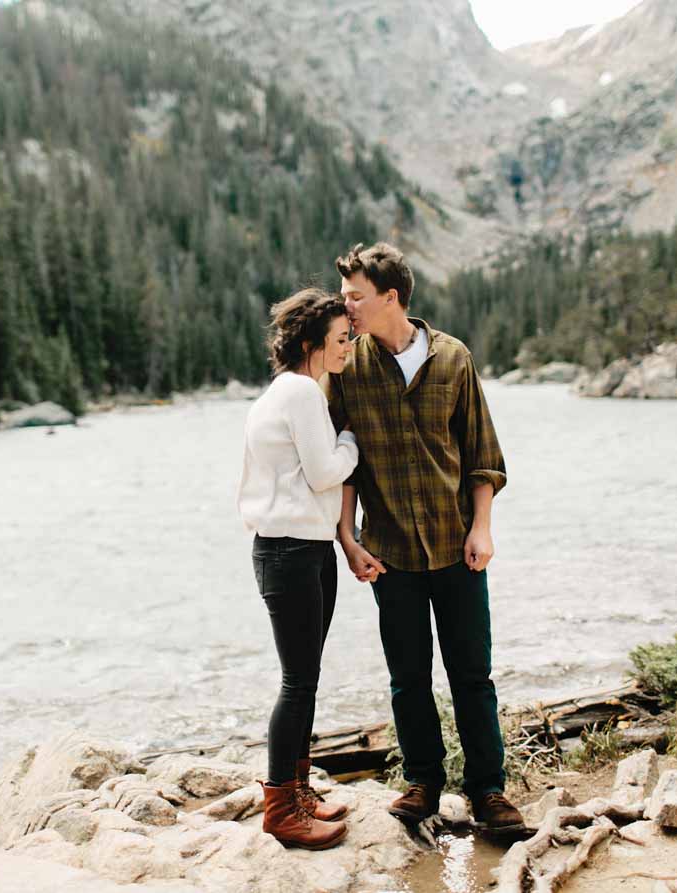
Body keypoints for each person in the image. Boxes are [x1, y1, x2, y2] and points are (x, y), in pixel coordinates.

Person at [327, 242, 525, 832]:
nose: (347, 309)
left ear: (392, 297)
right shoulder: (349, 367)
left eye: (356, 297)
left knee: (472, 675)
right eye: (344, 298)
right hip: (389, 553)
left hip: (457, 546)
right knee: (407, 677)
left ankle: (489, 790)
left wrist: (482, 527)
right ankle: (422, 784)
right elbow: (344, 461)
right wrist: (347, 537)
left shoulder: (453, 358)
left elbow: (482, 455)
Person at [236, 287, 358, 850]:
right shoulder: (302, 393)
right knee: (297, 682)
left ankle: (298, 791)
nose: (348, 346)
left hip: (298, 547)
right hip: (290, 551)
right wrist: (353, 440)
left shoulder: (283, 392)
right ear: (311, 343)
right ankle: (282, 808)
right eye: (339, 339)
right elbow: (324, 472)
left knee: (302, 680)